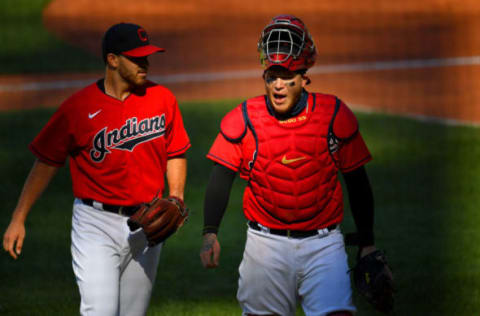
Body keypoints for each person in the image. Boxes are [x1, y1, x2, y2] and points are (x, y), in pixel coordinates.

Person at [3, 23, 191, 316]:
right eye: (137, 58)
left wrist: (176, 197)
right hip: (95, 225)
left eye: (147, 57)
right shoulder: (78, 107)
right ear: (112, 59)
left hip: (148, 224)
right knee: (99, 311)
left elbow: (176, 152)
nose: (146, 64)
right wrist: (19, 217)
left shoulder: (163, 99)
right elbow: (47, 161)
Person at [200, 15, 378, 316]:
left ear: (304, 78)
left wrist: (367, 243)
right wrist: (209, 233)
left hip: (324, 246)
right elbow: (221, 178)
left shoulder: (334, 115)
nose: (278, 86)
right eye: (272, 77)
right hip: (264, 246)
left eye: (287, 77)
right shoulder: (243, 119)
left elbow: (357, 181)